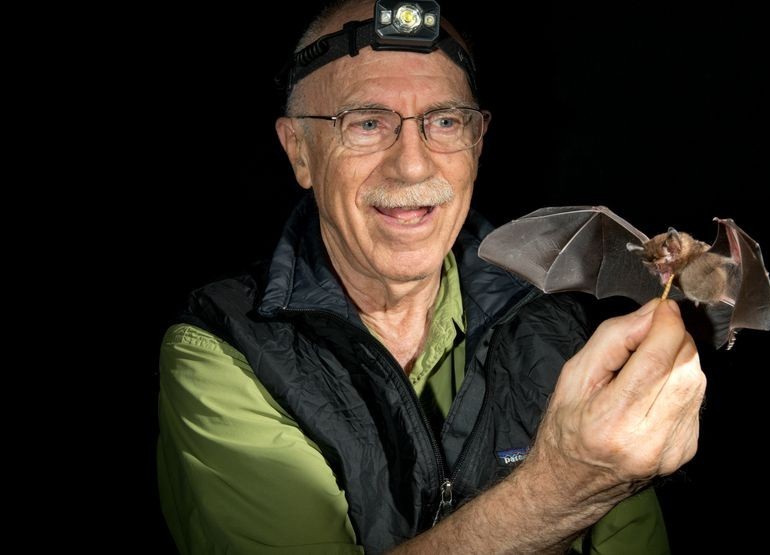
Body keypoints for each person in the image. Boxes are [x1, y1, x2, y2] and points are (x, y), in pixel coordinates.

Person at [157, 0, 706, 552]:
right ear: (299, 151)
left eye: (444, 122)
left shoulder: (557, 330)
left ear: (478, 141)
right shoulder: (223, 348)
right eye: (367, 123)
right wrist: (567, 485)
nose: (414, 166)